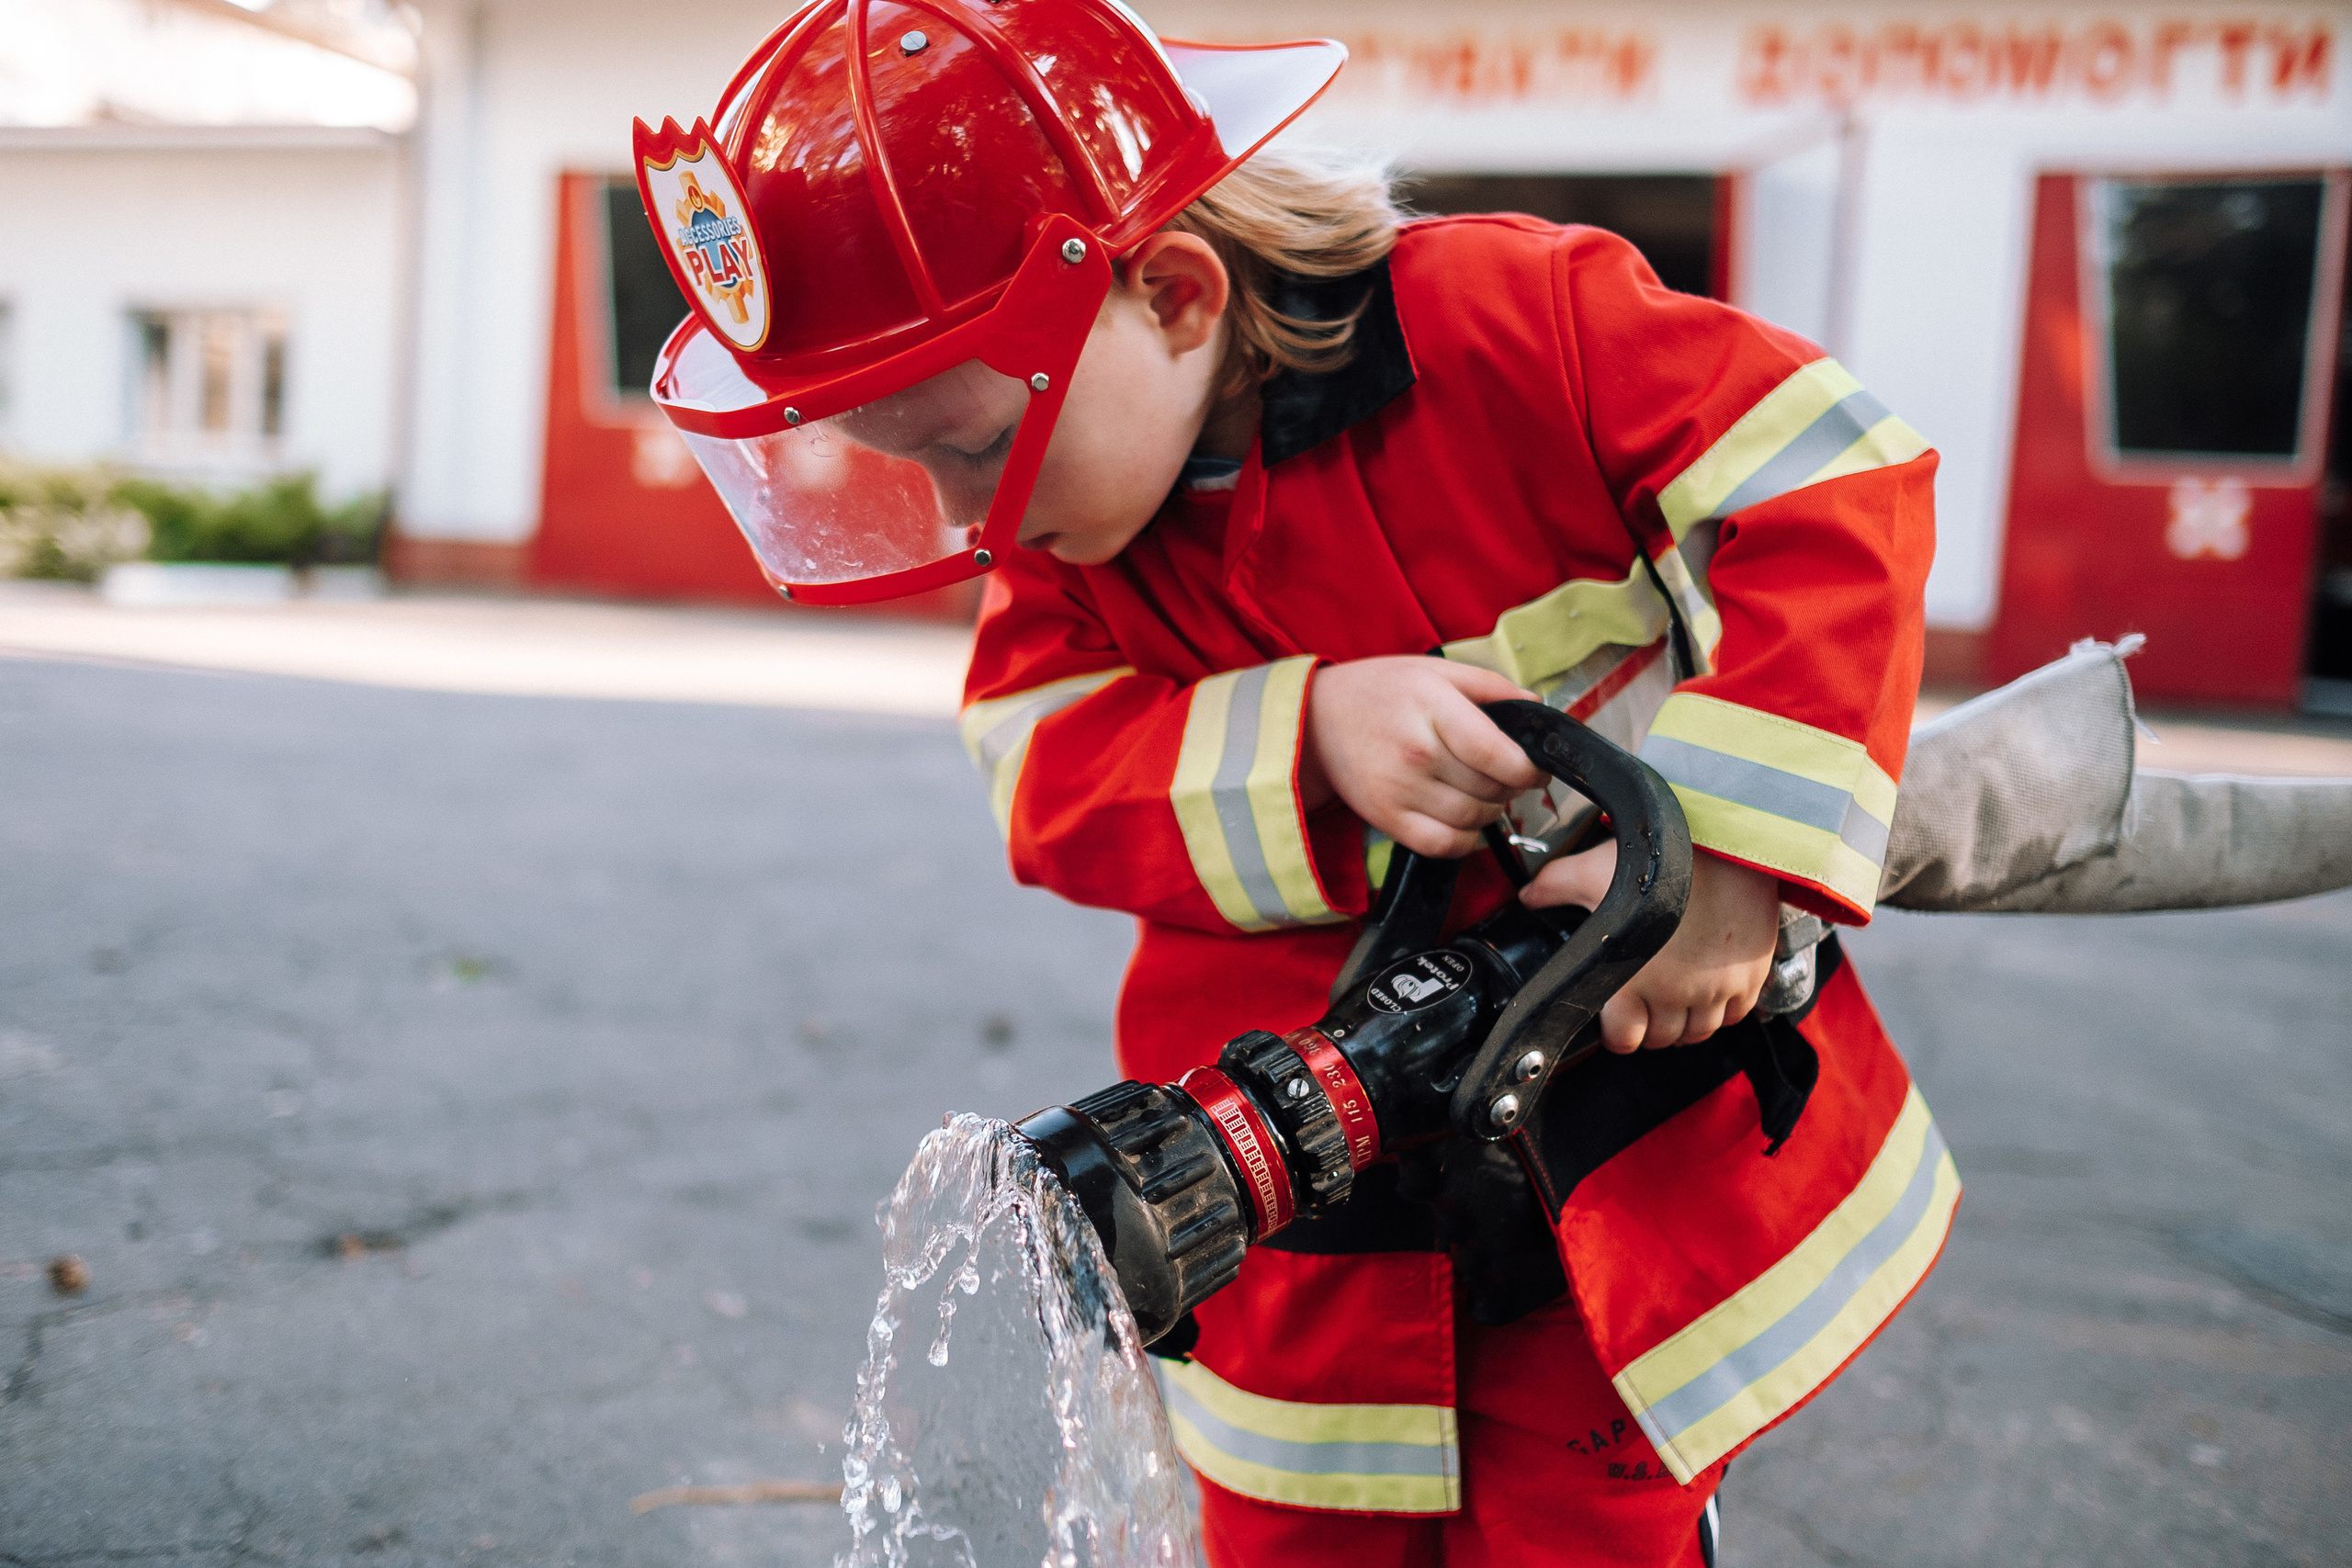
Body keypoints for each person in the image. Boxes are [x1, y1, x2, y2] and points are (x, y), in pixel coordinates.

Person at [637, 5, 1956, 1563]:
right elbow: (1039, 762)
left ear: (1176, 294)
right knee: (1294, 1521)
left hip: (1613, 1144)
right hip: (1296, 1220)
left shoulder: (1514, 322)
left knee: (1585, 1524)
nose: (959, 513)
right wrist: (1311, 734)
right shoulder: (1067, 528)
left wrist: (1722, 863)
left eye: (973, 447)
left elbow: (1833, 474)